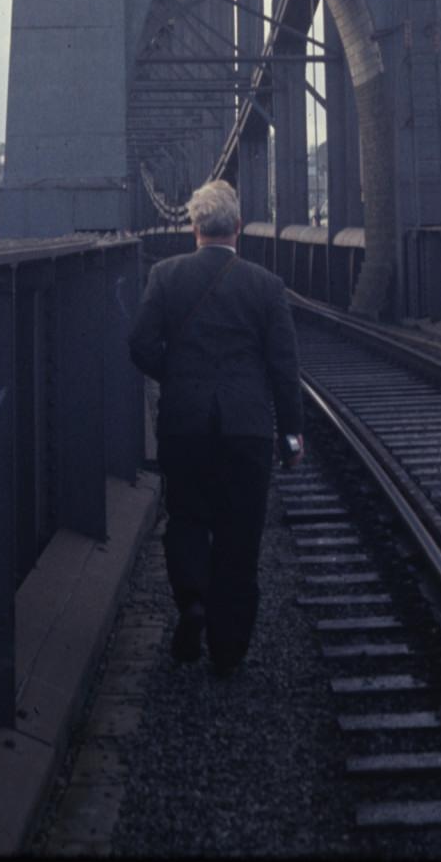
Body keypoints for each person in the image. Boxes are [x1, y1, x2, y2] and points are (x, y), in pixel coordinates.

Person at [129, 179, 304, 676]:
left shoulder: (164, 275)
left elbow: (139, 345)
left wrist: (178, 377)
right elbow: (284, 371)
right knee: (240, 535)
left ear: (192, 227)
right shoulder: (266, 287)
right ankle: (228, 652)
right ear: (240, 228)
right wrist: (292, 436)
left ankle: (193, 604)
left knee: (186, 517)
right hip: (247, 430)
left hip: (185, 425)